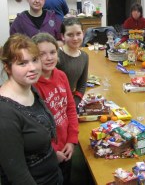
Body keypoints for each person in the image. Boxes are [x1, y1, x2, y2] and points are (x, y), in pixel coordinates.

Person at [0, 34, 61, 184]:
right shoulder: (4, 112)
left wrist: (52, 155)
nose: (33, 68)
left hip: (52, 176)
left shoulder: (31, 89)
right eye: (22, 63)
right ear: (8, 67)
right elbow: (18, 176)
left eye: (35, 60)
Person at [33, 33, 79, 185]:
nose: (49, 57)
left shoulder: (61, 76)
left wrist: (72, 140)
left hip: (66, 145)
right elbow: (35, 127)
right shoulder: (33, 86)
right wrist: (52, 153)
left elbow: (70, 108)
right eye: (42, 54)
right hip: (47, 153)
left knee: (66, 179)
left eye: (52, 52)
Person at [56, 18, 89, 109]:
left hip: (71, 103)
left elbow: (82, 86)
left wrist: (73, 104)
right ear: (62, 36)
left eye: (78, 34)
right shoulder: (56, 56)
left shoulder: (84, 56)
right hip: (56, 104)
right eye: (70, 35)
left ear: (83, 33)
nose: (75, 38)